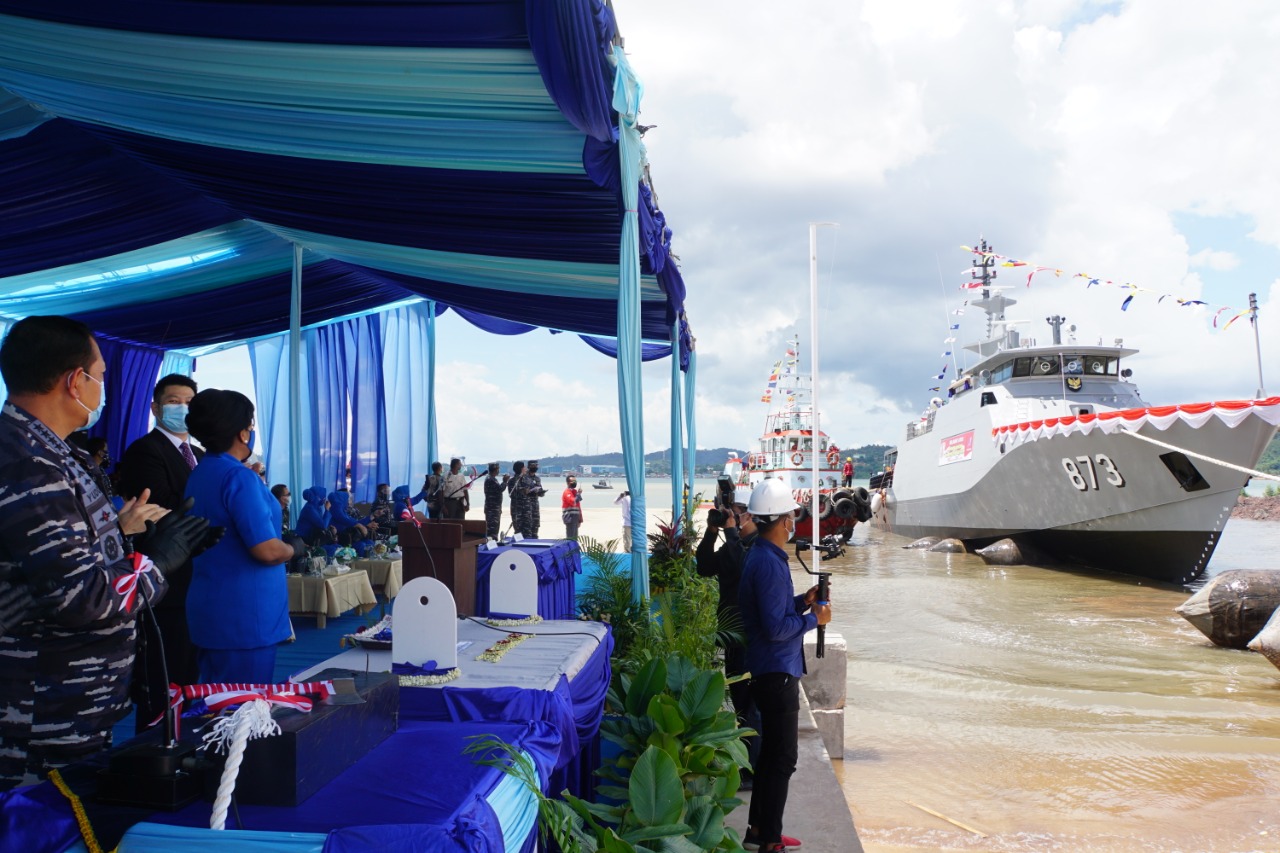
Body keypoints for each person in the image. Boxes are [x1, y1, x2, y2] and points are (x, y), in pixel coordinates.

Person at [0, 316, 210, 790]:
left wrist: (126, 535)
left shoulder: (53, 452)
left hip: (68, 703)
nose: (102, 389)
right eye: (100, 376)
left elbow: (56, 558)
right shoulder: (29, 464)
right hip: (40, 712)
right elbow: (83, 597)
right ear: (75, 381)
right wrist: (157, 562)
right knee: (41, 820)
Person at [184, 389, 304, 684]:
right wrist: (293, 548)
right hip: (246, 615)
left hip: (211, 605)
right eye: (251, 425)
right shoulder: (239, 477)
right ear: (242, 433)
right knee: (244, 705)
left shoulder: (201, 471)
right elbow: (266, 550)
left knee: (215, 700)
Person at [738, 478, 831, 852]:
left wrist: (802, 602)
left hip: (769, 668)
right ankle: (770, 840)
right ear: (781, 520)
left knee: (771, 756)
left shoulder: (763, 556)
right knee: (782, 758)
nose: (795, 520)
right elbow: (776, 629)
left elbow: (772, 613)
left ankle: (759, 831)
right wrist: (814, 620)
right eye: (791, 514)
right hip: (776, 672)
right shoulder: (769, 562)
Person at [115, 373, 205, 726]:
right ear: (155, 408)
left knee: (191, 678)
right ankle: (154, 746)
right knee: (164, 681)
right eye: (173, 402)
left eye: (189, 403)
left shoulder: (199, 454)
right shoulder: (145, 451)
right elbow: (161, 509)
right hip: (164, 583)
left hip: (198, 582)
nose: (182, 409)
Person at [695, 486, 759, 787]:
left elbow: (741, 567)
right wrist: (711, 532)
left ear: (752, 517)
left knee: (750, 704)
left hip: (747, 634)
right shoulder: (734, 545)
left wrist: (732, 532)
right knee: (740, 700)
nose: (733, 519)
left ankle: (752, 768)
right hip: (731, 633)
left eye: (738, 514)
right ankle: (747, 762)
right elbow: (704, 567)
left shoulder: (756, 547)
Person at [517, 459, 545, 538]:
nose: (535, 467)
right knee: (527, 527)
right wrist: (527, 491)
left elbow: (540, 490)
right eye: (533, 465)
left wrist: (541, 492)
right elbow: (519, 490)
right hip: (525, 506)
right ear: (529, 466)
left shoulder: (537, 478)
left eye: (536, 465)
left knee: (535, 526)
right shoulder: (523, 477)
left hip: (535, 505)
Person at [482, 462, 507, 539]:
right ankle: (492, 543)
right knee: (492, 530)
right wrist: (505, 481)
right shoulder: (491, 479)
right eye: (498, 469)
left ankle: (493, 541)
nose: (498, 471)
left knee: (494, 529)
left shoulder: (491, 478)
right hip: (492, 509)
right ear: (496, 470)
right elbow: (500, 489)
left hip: (494, 508)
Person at [561, 474, 583, 540]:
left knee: (575, 537)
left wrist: (580, 519)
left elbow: (578, 506)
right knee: (570, 537)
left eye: (575, 481)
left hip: (575, 517)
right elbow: (573, 502)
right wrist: (578, 494)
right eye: (572, 481)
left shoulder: (574, 491)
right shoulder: (567, 492)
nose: (574, 482)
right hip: (569, 517)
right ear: (568, 483)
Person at [507, 461, 526, 535]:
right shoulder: (512, 481)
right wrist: (523, 491)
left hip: (526, 510)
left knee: (527, 531)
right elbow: (512, 495)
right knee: (518, 531)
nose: (525, 469)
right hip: (517, 509)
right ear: (521, 469)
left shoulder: (526, 479)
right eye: (524, 467)